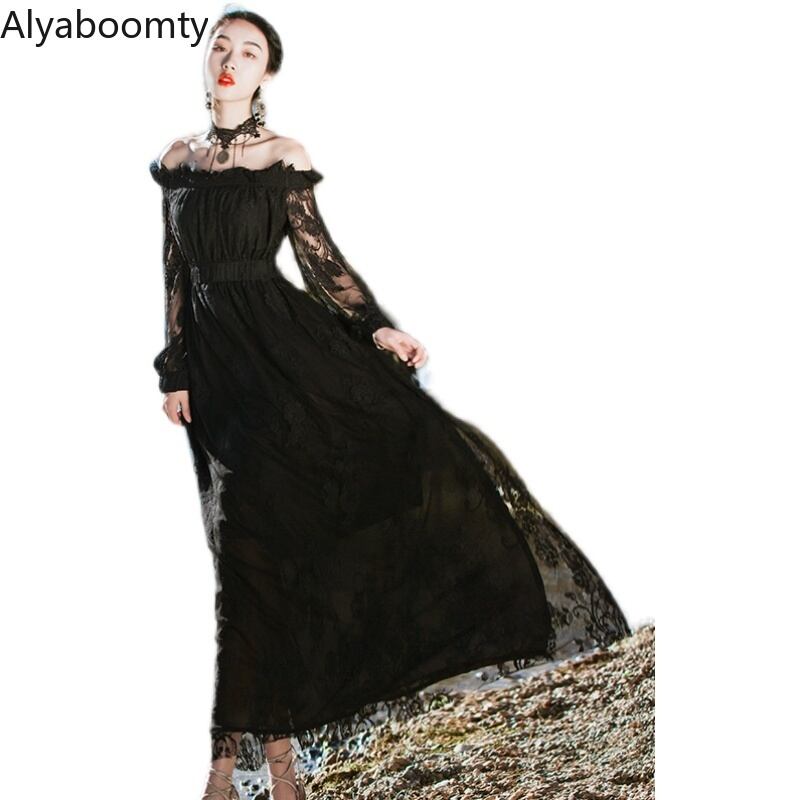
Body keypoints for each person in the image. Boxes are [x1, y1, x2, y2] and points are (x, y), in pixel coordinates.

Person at [149, 9, 631, 800]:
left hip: (285, 366)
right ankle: (274, 764)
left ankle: (228, 771)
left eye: (250, 52)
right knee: (245, 556)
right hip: (216, 379)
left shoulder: (283, 156)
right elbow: (174, 270)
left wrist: (374, 326)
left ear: (268, 73)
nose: (230, 59)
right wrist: (174, 369)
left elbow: (320, 262)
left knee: (256, 558)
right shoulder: (177, 160)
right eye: (221, 46)